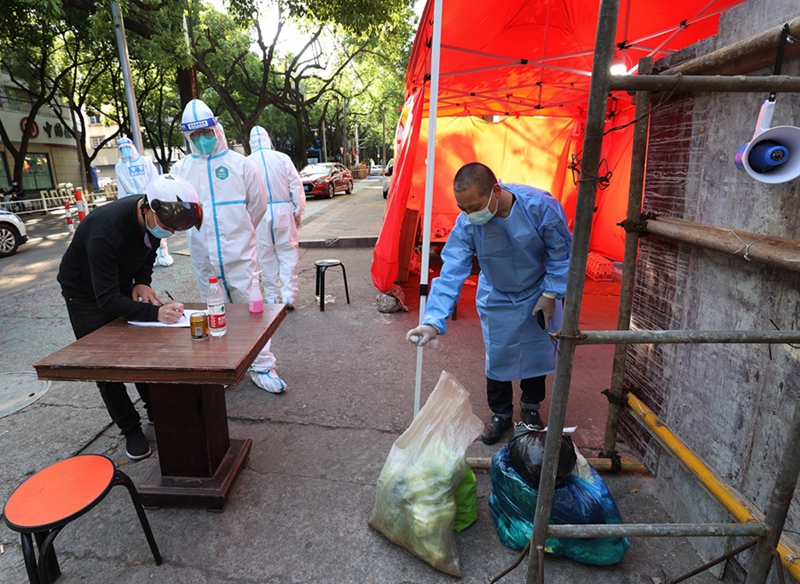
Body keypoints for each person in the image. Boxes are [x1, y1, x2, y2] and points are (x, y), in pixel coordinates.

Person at [406, 162, 572, 444]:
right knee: (498, 355)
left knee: (537, 352)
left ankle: (530, 408)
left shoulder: (539, 207)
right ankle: (501, 414)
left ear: (496, 190)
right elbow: (452, 270)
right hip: (497, 293)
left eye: (474, 207)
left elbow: (561, 252)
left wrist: (551, 293)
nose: (470, 214)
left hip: (537, 290)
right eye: (463, 208)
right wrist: (432, 321)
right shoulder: (468, 223)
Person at [57, 174, 203, 460]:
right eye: (166, 228)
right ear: (147, 208)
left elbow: (149, 250)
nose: (169, 233)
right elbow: (106, 298)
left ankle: (154, 410)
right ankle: (130, 429)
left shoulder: (153, 219)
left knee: (141, 354)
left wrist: (142, 282)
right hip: (85, 295)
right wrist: (156, 313)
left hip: (117, 282)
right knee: (105, 367)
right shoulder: (105, 231)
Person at [170, 99, 287, 393]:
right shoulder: (181, 169)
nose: (202, 139)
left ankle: (262, 365)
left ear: (216, 128)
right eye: (195, 135)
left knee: (253, 311)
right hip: (203, 258)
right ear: (188, 136)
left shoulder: (241, 165)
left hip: (240, 256)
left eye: (206, 132)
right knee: (215, 313)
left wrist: (239, 235)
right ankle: (225, 366)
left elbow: (258, 207)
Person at [248, 126, 305, 308]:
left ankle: (272, 297)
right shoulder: (282, 158)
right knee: (287, 253)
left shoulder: (246, 162)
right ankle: (289, 295)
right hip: (283, 210)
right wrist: (297, 211)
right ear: (268, 139)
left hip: (259, 213)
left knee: (265, 256)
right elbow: (295, 185)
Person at [115, 136, 173, 267]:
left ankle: (162, 254)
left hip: (148, 198)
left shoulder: (144, 161)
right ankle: (145, 259)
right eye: (122, 149)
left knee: (157, 226)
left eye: (127, 147)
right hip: (132, 202)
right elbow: (121, 186)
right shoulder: (119, 166)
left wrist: (156, 196)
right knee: (138, 231)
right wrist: (122, 203)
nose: (125, 150)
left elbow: (154, 178)